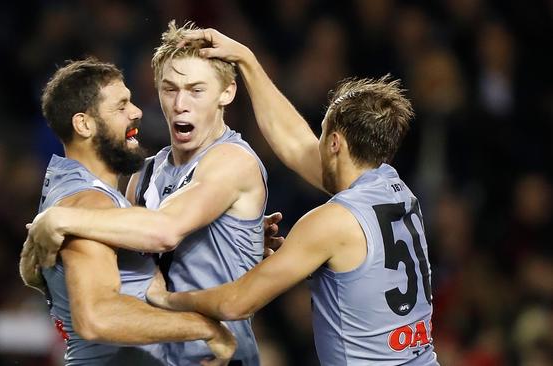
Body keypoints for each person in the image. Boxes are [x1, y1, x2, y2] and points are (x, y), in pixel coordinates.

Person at [145, 29, 439, 365]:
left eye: (322, 134)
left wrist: (167, 299)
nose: (313, 143)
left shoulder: (330, 221)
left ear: (334, 144)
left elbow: (235, 303)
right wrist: (247, 59)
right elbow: (295, 145)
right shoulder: (400, 193)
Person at [22, 22, 271, 366]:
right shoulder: (143, 173)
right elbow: (136, 275)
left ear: (226, 94)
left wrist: (58, 219)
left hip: (217, 357)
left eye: (196, 90)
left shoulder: (231, 161)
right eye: (169, 89)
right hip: (167, 350)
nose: (180, 103)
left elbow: (164, 232)